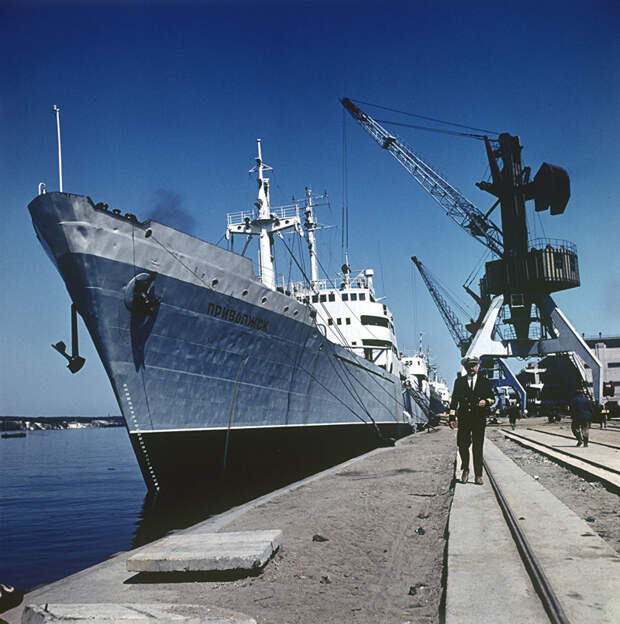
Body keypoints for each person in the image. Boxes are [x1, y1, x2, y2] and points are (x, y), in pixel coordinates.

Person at [449, 356, 495, 485]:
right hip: (464, 418)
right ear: (465, 367)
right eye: (469, 366)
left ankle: (478, 475)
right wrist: (452, 418)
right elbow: (454, 402)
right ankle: (465, 469)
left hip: (479, 419)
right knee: (462, 445)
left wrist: (485, 401)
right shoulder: (459, 382)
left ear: (478, 367)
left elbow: (492, 398)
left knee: (477, 447)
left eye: (474, 365)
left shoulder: (484, 382)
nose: (472, 368)